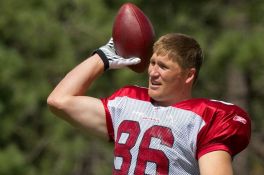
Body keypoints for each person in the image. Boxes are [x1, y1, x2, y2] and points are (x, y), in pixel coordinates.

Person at [47, 33, 251, 175]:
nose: (153, 72)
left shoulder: (206, 118)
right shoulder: (129, 103)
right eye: (152, 63)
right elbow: (59, 100)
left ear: (189, 75)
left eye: (163, 66)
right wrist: (103, 58)